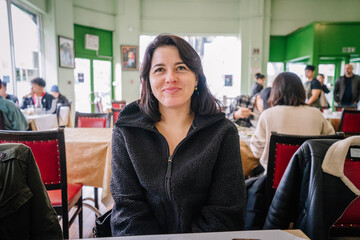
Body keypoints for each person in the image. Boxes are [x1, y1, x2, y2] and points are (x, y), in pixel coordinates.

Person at [110, 34, 245, 236]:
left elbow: (225, 211)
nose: (170, 77)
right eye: (159, 70)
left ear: (196, 77)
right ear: (147, 80)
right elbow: (127, 208)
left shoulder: (223, 132)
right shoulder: (126, 131)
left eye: (181, 68)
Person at [250, 72, 335, 173]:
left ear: (275, 91)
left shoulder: (267, 115)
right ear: (301, 91)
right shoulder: (316, 114)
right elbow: (332, 142)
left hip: (276, 181)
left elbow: (257, 151)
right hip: (309, 181)